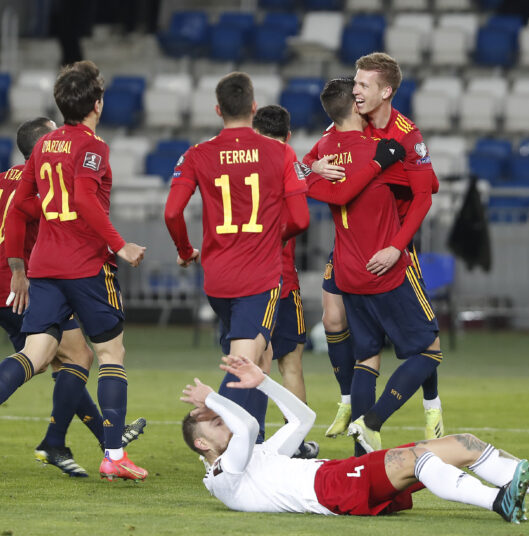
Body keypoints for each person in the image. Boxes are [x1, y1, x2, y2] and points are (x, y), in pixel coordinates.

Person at [0, 60, 149, 481]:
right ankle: (113, 455)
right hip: (85, 264)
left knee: (38, 353)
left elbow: (20, 208)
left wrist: (21, 263)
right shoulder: (93, 147)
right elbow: (82, 197)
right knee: (111, 354)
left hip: (45, 266)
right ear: (97, 104)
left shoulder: (43, 147)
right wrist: (121, 244)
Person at [181, 355, 529, 521]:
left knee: (465, 443)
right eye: (213, 424)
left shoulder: (253, 457)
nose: (223, 422)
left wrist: (263, 383)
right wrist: (215, 398)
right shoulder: (226, 475)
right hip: (330, 488)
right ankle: (497, 501)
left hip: (336, 475)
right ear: (203, 445)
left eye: (218, 416)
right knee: (418, 460)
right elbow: (249, 427)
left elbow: (303, 419)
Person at [304, 53, 443, 445]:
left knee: (382, 347)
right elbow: (308, 163)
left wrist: (398, 246)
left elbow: (427, 191)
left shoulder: (406, 134)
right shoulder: (352, 130)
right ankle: (361, 414)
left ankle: (430, 408)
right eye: (356, 85)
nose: (356, 90)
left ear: (386, 92)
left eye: (363, 84)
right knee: (419, 344)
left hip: (388, 246)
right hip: (364, 253)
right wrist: (315, 169)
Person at [164, 72, 310, 442]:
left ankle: (255, 441)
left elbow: (171, 212)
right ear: (253, 107)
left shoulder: (198, 154)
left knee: (261, 357)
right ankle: (211, 441)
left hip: (217, 279)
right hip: (257, 278)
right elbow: (301, 218)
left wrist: (185, 251)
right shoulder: (280, 152)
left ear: (218, 109)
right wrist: (270, 237)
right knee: (245, 364)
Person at [251, 104, 317, 459]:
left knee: (248, 362)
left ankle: (251, 440)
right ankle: (295, 445)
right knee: (289, 364)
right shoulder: (290, 164)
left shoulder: (242, 164)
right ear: (288, 136)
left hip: (246, 281)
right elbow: (301, 202)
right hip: (284, 280)